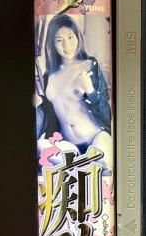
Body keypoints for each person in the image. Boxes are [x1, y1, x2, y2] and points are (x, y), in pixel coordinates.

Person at [36, 14, 112, 167]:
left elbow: (107, 115)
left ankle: (79, 163)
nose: (67, 45)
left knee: (102, 159)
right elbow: (48, 113)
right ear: (52, 44)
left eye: (71, 37)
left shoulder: (90, 65)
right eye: (59, 40)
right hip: (69, 144)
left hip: (95, 137)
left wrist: (90, 90)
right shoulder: (49, 75)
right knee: (40, 146)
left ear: (78, 36)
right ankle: (79, 162)